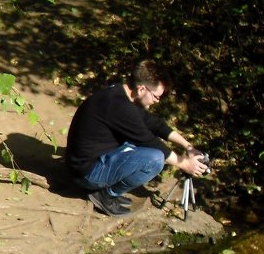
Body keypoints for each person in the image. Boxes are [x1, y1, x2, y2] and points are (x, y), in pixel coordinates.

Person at [65, 60, 209, 216]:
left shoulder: (119, 94)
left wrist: (188, 147)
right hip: (86, 173)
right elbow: (151, 142)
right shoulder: (121, 108)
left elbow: (155, 124)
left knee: (145, 148)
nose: (157, 101)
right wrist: (185, 164)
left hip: (85, 160)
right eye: (156, 96)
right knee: (155, 159)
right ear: (141, 89)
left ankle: (106, 190)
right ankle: (105, 195)